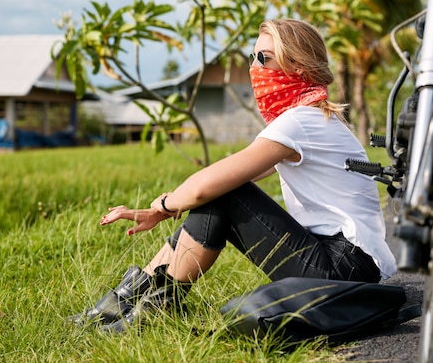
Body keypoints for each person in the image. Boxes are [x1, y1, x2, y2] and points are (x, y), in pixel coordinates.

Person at [68, 18, 397, 333]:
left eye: (263, 58)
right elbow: (225, 179)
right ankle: (130, 302)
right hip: (344, 265)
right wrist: (173, 205)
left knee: (225, 193)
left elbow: (208, 186)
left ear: (297, 65)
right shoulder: (311, 118)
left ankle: (151, 309)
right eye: (252, 57)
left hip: (343, 269)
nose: (254, 67)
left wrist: (163, 207)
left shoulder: (302, 121)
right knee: (223, 191)